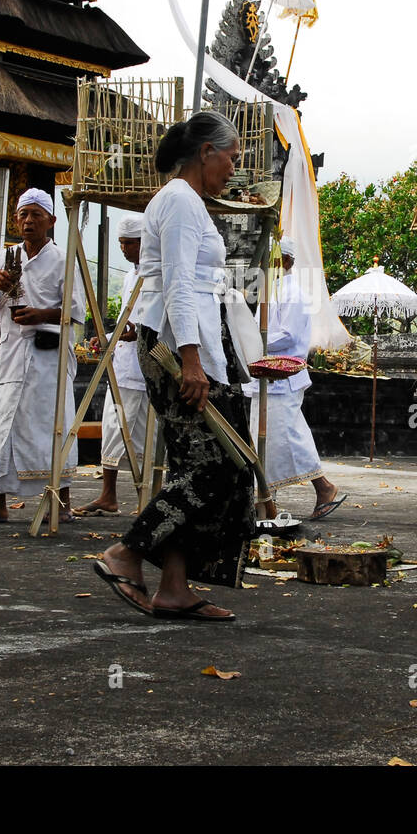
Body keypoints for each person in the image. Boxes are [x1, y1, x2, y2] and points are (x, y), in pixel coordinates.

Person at [94, 110, 254, 621]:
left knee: (202, 466)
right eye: (231, 158)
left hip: (192, 342)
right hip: (176, 346)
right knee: (215, 466)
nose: (233, 169)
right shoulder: (181, 201)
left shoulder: (186, 202)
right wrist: (190, 359)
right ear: (207, 151)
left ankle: (174, 586)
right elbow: (180, 282)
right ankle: (126, 553)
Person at [0, 188, 85, 526]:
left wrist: (42, 314)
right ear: (16, 220)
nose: (29, 220)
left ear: (51, 220)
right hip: (12, 352)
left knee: (51, 421)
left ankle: (60, 501)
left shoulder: (63, 259)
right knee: (4, 420)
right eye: (23, 214)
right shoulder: (7, 257)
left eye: (36, 214)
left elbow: (76, 310)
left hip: (47, 352)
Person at [244, 235, 344, 520]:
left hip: (283, 377)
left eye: (271, 259)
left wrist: (253, 340)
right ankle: (264, 499)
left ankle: (322, 486)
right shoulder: (270, 290)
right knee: (266, 440)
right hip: (264, 376)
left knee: (288, 437)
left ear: (285, 261)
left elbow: (286, 334)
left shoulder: (294, 293)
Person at [75, 215, 149, 517]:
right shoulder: (132, 276)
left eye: (128, 243)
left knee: (146, 434)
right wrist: (106, 338)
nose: (123, 249)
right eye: (120, 243)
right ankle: (108, 494)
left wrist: (139, 334)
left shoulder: (156, 274)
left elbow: (155, 318)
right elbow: (125, 321)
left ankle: (147, 496)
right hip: (125, 364)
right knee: (114, 427)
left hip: (148, 364)